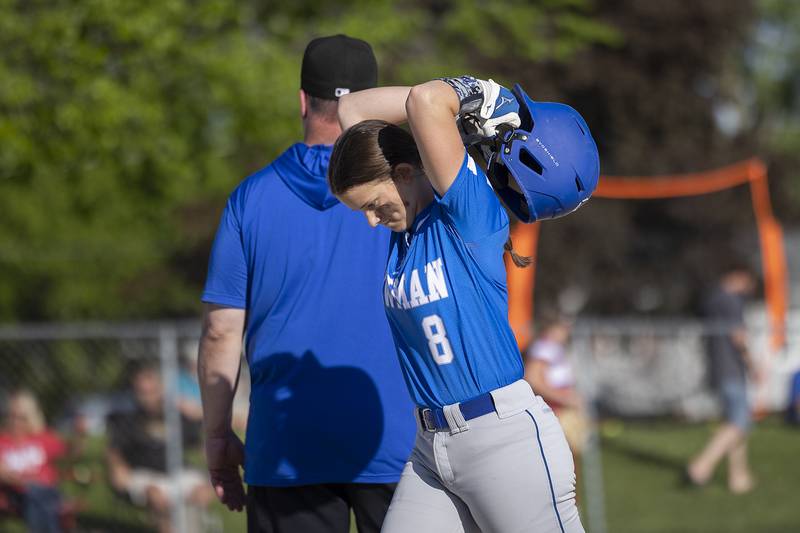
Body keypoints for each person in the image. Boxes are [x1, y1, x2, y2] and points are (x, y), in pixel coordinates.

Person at [327, 76, 598, 532]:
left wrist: (487, 96)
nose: (372, 221)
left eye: (374, 205)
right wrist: (466, 118)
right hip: (431, 447)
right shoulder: (405, 234)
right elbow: (351, 111)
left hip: (503, 438)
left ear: (406, 174)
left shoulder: (465, 212)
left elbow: (427, 101)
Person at [198, 34, 415, 533]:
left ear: (302, 100)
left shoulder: (250, 198)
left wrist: (216, 439)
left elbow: (220, 333)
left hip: (288, 442)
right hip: (396, 434)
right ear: (371, 104)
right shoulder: (404, 191)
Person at [106, 362, 213, 533]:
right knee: (157, 495)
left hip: (178, 472)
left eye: (152, 391)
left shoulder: (176, 415)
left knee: (201, 492)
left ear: (161, 389)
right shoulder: (127, 419)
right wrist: (117, 469)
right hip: (144, 475)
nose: (148, 397)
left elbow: (199, 443)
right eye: (142, 392)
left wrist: (214, 468)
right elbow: (114, 451)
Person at [686, 267, 758, 493]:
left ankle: (738, 478)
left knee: (734, 421)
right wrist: (752, 364)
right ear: (741, 277)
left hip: (717, 368)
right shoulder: (731, 301)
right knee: (740, 422)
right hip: (732, 370)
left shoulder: (711, 299)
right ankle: (702, 464)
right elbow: (738, 336)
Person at [0, 389, 66, 533]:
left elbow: (69, 454)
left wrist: (80, 436)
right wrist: (26, 482)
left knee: (43, 496)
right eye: (11, 416)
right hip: (16, 493)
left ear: (31, 417)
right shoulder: (2, 440)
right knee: (36, 495)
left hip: (48, 491)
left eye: (21, 417)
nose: (15, 421)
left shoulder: (43, 438)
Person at [524, 314, 589, 457]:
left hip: (560, 408)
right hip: (554, 410)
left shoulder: (552, 347)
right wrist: (565, 399)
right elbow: (533, 379)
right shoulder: (545, 347)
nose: (567, 331)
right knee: (561, 458)